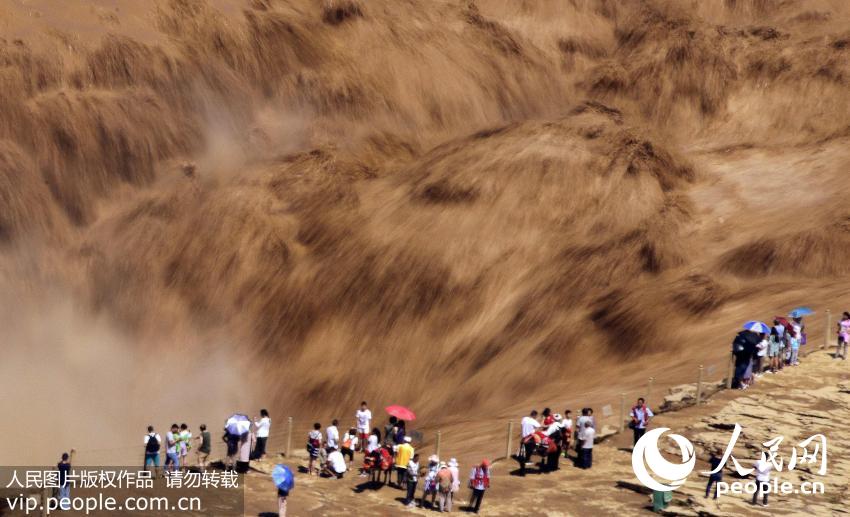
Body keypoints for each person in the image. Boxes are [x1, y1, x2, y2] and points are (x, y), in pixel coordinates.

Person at [518, 410, 540, 476]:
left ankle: (522, 470)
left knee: (522, 455)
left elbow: (522, 426)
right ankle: (533, 453)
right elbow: (539, 426)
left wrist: (522, 434)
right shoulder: (534, 421)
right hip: (530, 440)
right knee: (537, 442)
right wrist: (534, 431)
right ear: (535, 415)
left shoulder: (524, 418)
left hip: (523, 439)